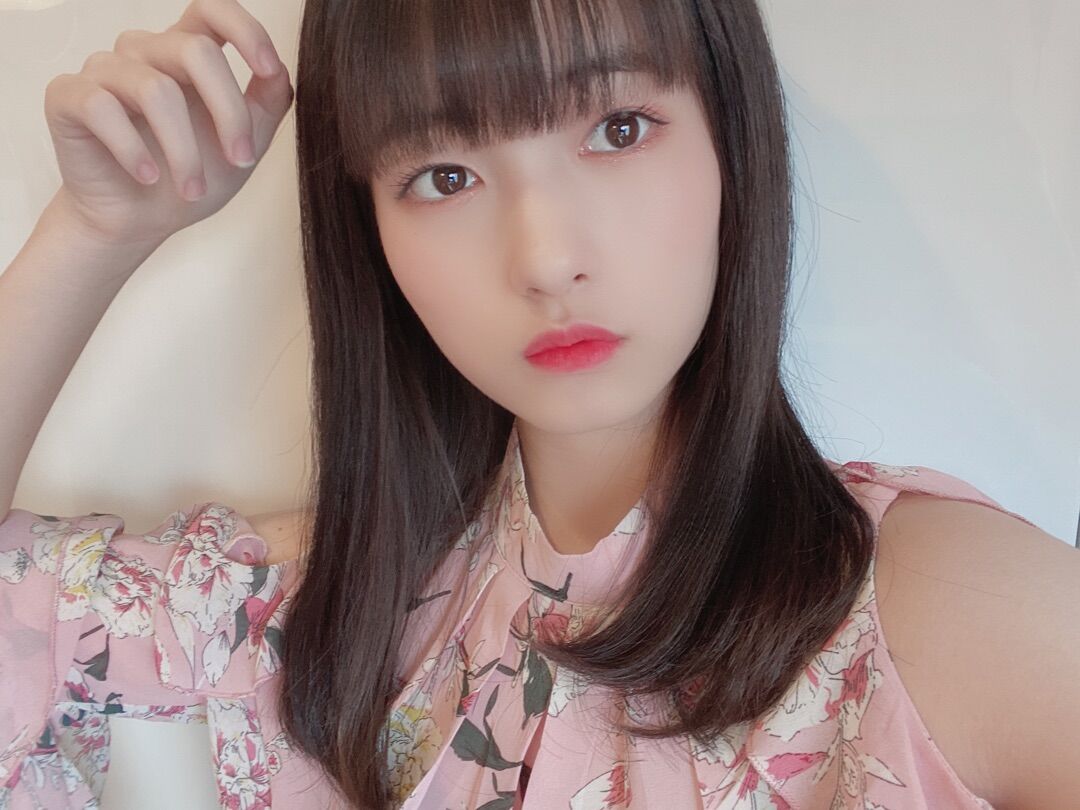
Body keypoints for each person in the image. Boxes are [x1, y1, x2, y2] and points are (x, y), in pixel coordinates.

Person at [0, 0, 1076, 808]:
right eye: (444, 177)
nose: (546, 257)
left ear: (731, 138)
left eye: (619, 129)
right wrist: (91, 235)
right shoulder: (320, 623)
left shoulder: (947, 615)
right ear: (371, 233)